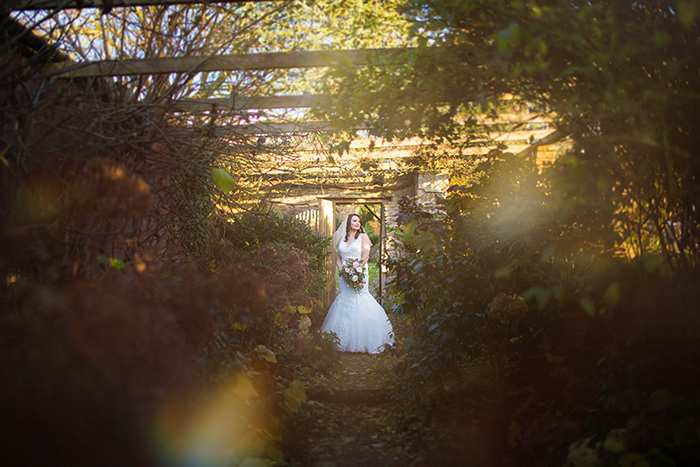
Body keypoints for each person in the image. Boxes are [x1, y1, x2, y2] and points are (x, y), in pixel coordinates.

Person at [320, 213, 394, 354]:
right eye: (355, 221)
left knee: (359, 299)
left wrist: (354, 270)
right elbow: (338, 258)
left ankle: (367, 338)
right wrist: (343, 270)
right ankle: (339, 340)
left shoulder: (363, 237)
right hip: (344, 275)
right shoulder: (342, 238)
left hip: (358, 273)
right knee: (344, 299)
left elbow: (365, 258)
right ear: (348, 222)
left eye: (359, 221)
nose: (358, 223)